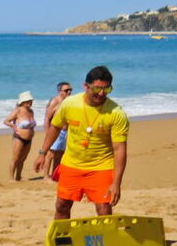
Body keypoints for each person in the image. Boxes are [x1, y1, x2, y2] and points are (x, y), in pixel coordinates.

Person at [33, 66, 129, 219]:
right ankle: (62, 240)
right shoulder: (70, 104)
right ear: (86, 86)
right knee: (62, 205)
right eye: (97, 89)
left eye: (107, 89)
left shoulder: (116, 113)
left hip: (101, 166)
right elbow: (55, 127)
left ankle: (106, 240)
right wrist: (42, 153)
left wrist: (117, 183)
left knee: (104, 208)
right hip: (71, 164)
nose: (102, 93)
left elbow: (119, 150)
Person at [3, 91, 37, 181]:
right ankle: (11, 178)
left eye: (31, 101)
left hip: (29, 139)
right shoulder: (18, 111)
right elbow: (6, 121)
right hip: (19, 138)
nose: (30, 103)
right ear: (22, 102)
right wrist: (13, 126)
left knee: (23, 159)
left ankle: (18, 176)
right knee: (15, 158)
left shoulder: (31, 111)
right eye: (28, 101)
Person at [42, 82, 73, 181]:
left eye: (70, 90)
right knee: (50, 154)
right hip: (55, 131)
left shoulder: (68, 101)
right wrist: (48, 133)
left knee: (59, 154)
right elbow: (47, 118)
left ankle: (54, 175)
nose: (69, 92)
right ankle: (46, 176)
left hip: (65, 132)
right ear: (60, 91)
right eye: (66, 90)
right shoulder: (55, 101)